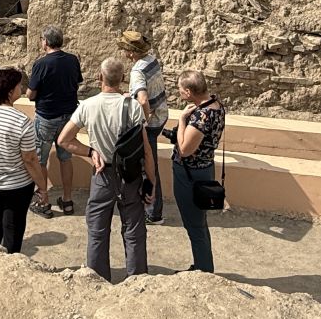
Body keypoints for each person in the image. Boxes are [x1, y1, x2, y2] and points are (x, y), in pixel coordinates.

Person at [58, 57, 148, 282]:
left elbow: (64, 140)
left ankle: (97, 279)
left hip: (102, 174)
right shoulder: (134, 107)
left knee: (97, 232)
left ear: (99, 77)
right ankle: (137, 280)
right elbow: (146, 150)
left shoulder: (87, 106)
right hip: (130, 174)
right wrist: (152, 182)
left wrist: (90, 152)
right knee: (134, 232)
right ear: (123, 80)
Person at [0, 67, 49, 254]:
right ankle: (11, 263)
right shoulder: (21, 121)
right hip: (17, 187)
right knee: (13, 228)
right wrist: (42, 186)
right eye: (19, 85)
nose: (21, 88)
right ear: (10, 91)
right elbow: (29, 159)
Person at [169, 70, 225, 273]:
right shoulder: (216, 104)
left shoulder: (202, 116)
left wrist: (183, 119)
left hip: (190, 175)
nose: (178, 92)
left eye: (180, 89)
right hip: (205, 169)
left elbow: (185, 150)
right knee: (199, 223)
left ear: (189, 91)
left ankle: (203, 271)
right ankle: (203, 265)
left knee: (194, 225)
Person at [25, 25, 82, 216]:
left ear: (46, 42)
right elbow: (76, 83)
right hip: (69, 117)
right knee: (65, 158)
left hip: (47, 117)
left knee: (40, 159)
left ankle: (44, 201)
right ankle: (67, 200)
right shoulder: (73, 60)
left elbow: (31, 94)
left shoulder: (41, 64)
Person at [119, 29, 168, 225]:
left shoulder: (137, 71)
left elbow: (143, 98)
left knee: (149, 167)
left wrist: (143, 120)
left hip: (151, 123)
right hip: (162, 115)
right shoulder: (152, 60)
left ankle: (154, 212)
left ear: (130, 52)